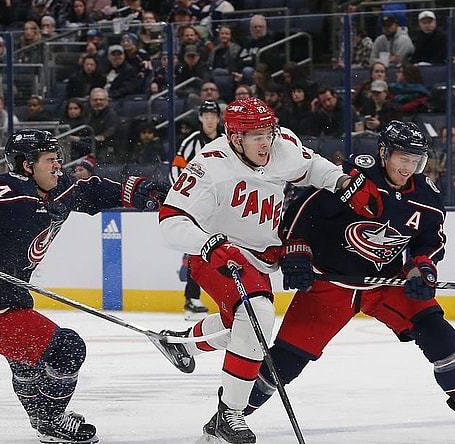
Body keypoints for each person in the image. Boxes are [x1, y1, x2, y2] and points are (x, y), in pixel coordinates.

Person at [244, 120, 455, 444]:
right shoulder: (354, 180)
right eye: (403, 158)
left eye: (416, 160)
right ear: (384, 153)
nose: (409, 167)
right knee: (286, 361)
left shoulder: (426, 196)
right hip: (331, 285)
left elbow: (430, 242)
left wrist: (422, 269)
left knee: (441, 335)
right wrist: (297, 251)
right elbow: (302, 213)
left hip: (387, 285)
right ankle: (233, 413)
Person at [158, 97, 383, 444]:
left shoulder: (283, 146)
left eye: (268, 133)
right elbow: (170, 222)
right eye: (256, 136)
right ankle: (229, 414)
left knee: (244, 324)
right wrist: (212, 244)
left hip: (259, 256)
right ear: (234, 138)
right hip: (214, 254)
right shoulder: (208, 167)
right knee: (257, 313)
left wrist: (340, 182)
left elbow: (312, 168)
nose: (266, 143)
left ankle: (183, 343)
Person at [0, 129, 169, 444]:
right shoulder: (10, 191)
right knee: (67, 349)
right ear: (27, 165)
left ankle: (42, 417)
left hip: (10, 301)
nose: (58, 166)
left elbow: (92, 190)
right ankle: (53, 421)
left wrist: (139, 191)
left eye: (58, 159)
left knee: (29, 361)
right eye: (50, 160)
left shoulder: (58, 190)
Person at [168, 100, 224, 321]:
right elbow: (176, 170)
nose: (210, 120)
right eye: (206, 116)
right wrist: (186, 199)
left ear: (218, 118)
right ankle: (192, 298)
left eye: (213, 116)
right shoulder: (191, 142)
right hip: (200, 206)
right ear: (200, 118)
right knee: (199, 249)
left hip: (226, 204)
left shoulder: (226, 141)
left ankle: (226, 297)